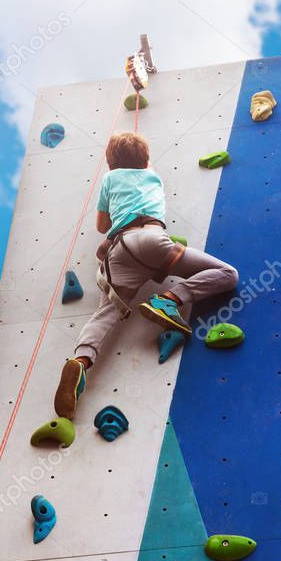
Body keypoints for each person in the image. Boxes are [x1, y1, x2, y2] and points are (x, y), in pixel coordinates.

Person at [53, 131, 238, 420]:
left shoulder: (109, 179)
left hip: (121, 248)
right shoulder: (154, 178)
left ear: (111, 163)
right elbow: (144, 164)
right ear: (145, 159)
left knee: (106, 313)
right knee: (227, 274)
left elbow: (102, 227)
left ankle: (81, 360)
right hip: (154, 240)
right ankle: (171, 298)